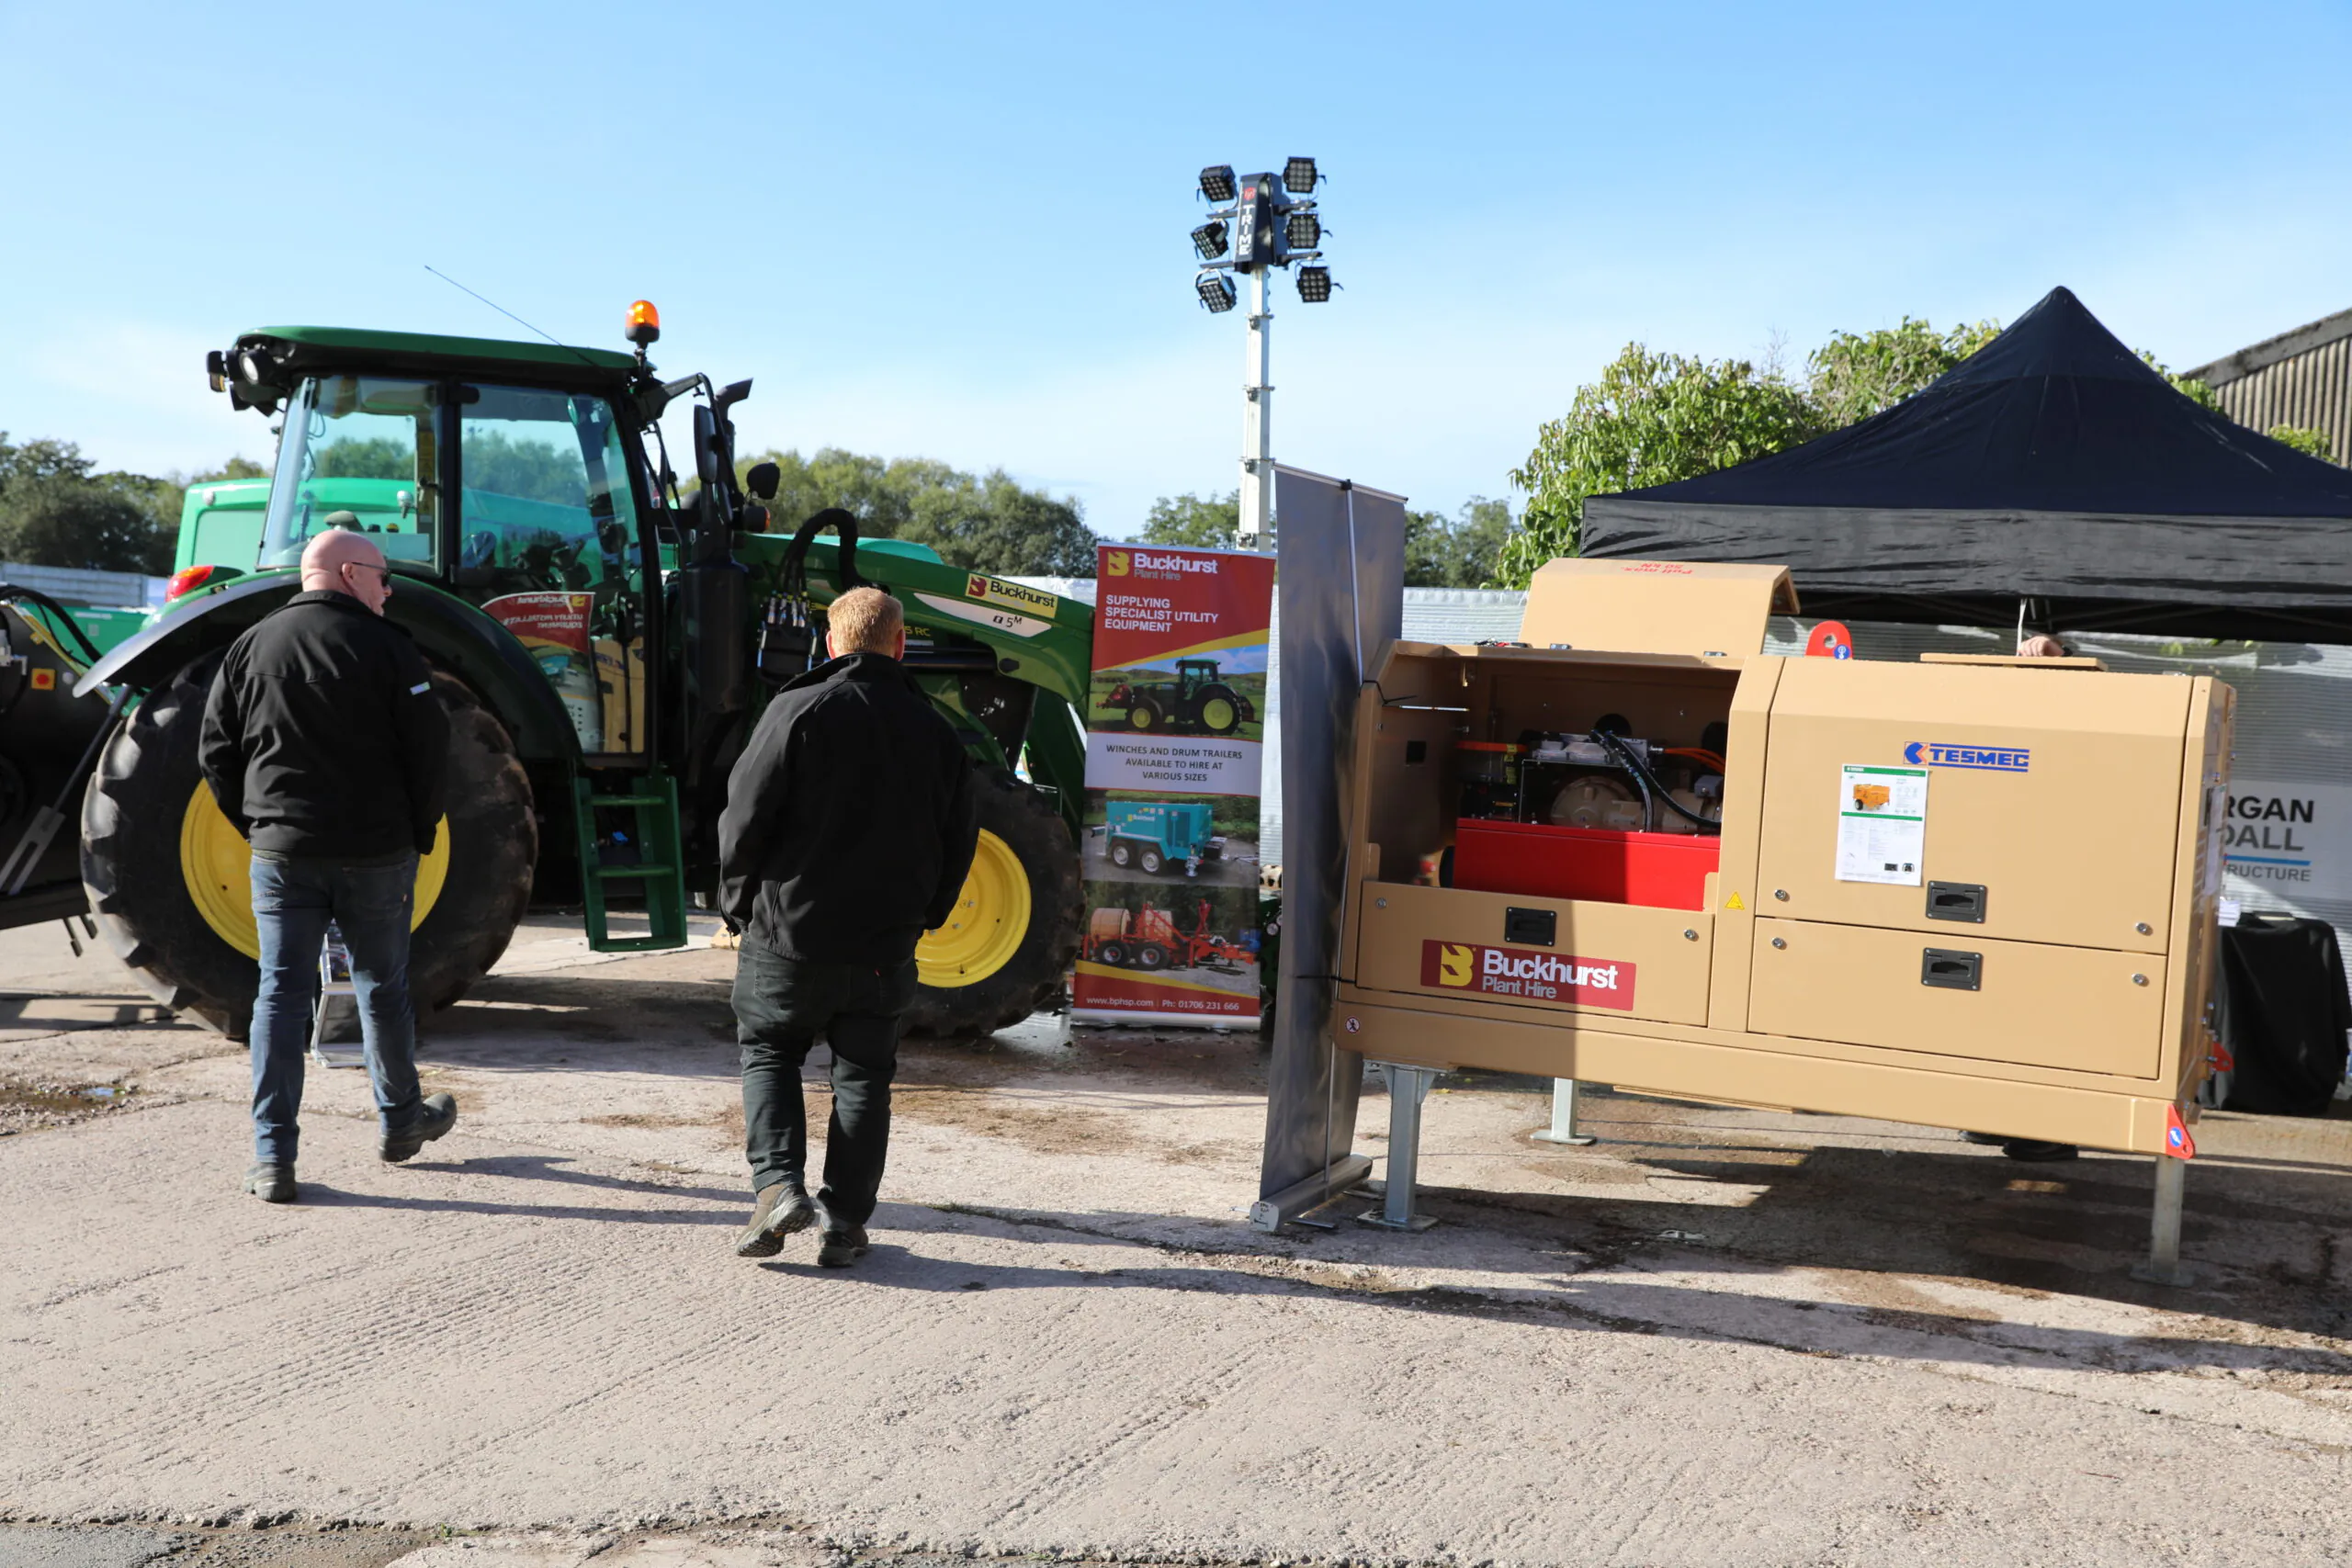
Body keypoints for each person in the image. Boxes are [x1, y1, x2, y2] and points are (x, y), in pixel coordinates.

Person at [718, 586, 977, 1265]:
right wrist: (928, 916)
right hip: (883, 946)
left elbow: (743, 817)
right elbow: (961, 838)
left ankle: (778, 1186)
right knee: (864, 1075)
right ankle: (844, 1220)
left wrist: (736, 903)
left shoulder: (795, 710)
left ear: (830, 644)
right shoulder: (939, 731)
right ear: (899, 645)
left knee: (770, 1049)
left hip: (788, 936)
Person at [198, 523, 457, 1202]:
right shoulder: (390, 649)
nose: (388, 587)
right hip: (376, 853)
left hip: (283, 854)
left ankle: (271, 1158)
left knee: (280, 993)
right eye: (380, 574)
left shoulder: (250, 646)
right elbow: (430, 753)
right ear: (349, 574)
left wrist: (259, 826)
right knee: (382, 984)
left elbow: (216, 752)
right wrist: (418, 830)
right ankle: (401, 1122)